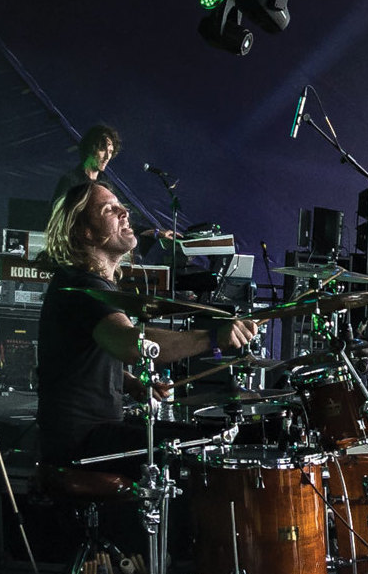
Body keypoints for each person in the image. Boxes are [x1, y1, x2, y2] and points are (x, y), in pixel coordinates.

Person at [36, 182, 257, 470]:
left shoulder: (84, 281)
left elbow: (82, 358)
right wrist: (215, 337)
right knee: (204, 448)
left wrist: (129, 382)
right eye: (109, 209)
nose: (124, 212)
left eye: (120, 205)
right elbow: (130, 343)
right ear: (84, 231)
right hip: (83, 442)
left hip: (92, 432)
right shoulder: (82, 285)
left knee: (197, 439)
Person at [50, 123, 123, 201]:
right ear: (90, 148)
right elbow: (57, 211)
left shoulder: (106, 183)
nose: (107, 157)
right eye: (102, 149)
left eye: (110, 151)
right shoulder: (70, 181)